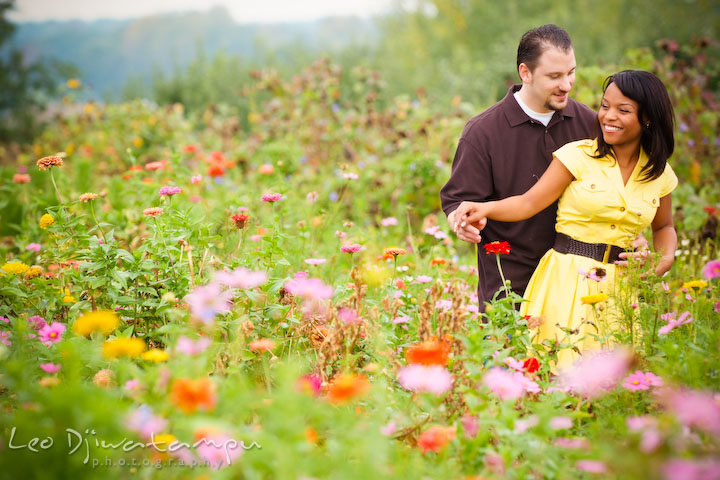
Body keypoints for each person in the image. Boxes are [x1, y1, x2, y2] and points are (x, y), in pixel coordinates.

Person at [453, 70, 678, 367]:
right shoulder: (578, 156)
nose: (608, 116)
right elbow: (528, 202)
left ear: (647, 118)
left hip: (620, 292)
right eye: (605, 106)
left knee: (612, 383)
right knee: (555, 371)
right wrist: (484, 208)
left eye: (623, 110)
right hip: (565, 282)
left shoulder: (658, 173)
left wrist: (664, 260)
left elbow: (664, 227)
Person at [440, 24, 600, 309]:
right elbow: (457, 201)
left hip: (578, 283)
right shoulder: (483, 131)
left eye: (571, 72)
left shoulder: (590, 123)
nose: (566, 85)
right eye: (554, 76)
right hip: (509, 285)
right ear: (525, 73)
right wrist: (461, 222)